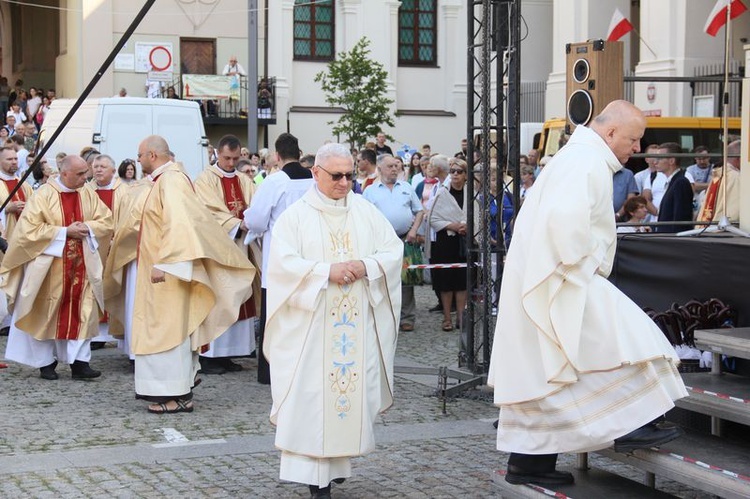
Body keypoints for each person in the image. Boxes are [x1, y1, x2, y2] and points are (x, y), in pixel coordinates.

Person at [488, 100, 687, 486]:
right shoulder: (585, 162)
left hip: (550, 275)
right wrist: (588, 265)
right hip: (563, 275)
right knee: (629, 336)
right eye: (633, 139)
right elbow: (566, 222)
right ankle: (631, 423)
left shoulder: (579, 157)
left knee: (546, 374)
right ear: (610, 133)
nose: (637, 148)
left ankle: (529, 464)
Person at [264, 142, 402, 499]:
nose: (344, 183)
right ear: (316, 173)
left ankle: (336, 465)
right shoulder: (296, 216)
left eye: (349, 176)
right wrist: (326, 271)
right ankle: (316, 481)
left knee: (346, 400)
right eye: (336, 176)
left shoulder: (364, 210)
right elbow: (282, 266)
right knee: (314, 404)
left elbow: (391, 250)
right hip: (312, 329)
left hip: (353, 327)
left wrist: (364, 266)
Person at [131, 135, 255, 414]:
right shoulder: (166, 179)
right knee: (166, 328)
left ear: (152, 155)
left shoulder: (172, 180)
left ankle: (175, 393)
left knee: (169, 330)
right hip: (160, 269)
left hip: (169, 271)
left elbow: (181, 223)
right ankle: (176, 388)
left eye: (140, 155)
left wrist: (166, 262)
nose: (137, 160)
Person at [1, 155, 113, 380]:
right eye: (80, 174)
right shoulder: (44, 194)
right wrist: (63, 232)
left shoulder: (87, 192)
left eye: (85, 173)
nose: (85, 178)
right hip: (50, 266)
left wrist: (88, 227)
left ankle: (80, 363)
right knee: (46, 312)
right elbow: (28, 231)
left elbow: (107, 220)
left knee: (84, 311)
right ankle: (46, 363)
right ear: (64, 173)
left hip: (83, 265)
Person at [243, 133, 313, 385]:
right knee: (304, 315)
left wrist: (249, 222)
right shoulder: (313, 180)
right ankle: (304, 369)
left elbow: (257, 220)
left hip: (279, 260)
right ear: (299, 152)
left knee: (275, 318)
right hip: (308, 257)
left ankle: (272, 372)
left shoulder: (274, 182)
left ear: (276, 156)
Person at [194, 134, 261, 374]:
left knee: (240, 299)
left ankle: (229, 353)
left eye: (235, 158)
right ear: (217, 155)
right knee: (220, 298)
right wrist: (235, 224)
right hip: (219, 251)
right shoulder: (205, 180)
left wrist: (252, 222)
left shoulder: (245, 180)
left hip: (243, 247)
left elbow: (257, 206)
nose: (231, 163)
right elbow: (207, 211)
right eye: (226, 158)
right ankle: (210, 356)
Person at [363, 154, 423, 332]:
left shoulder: (406, 187)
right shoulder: (370, 191)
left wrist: (413, 231)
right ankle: (384, 316)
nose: (395, 169)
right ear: (380, 169)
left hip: (404, 239)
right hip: (380, 243)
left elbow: (419, 211)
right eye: (390, 166)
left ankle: (407, 317)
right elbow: (364, 217)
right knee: (382, 278)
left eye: (396, 166)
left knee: (406, 279)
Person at [426, 158, 468, 332]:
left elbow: (478, 214)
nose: (455, 175)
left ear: (466, 175)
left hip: (464, 242)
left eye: (459, 171)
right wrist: (453, 226)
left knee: (462, 281)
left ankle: (460, 316)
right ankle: (447, 317)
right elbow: (433, 218)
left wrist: (466, 225)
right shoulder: (442, 193)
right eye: (453, 172)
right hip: (445, 241)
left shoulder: (470, 193)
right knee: (445, 281)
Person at [697, 139, 741, 223]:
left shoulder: (719, 175)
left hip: (709, 227)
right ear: (739, 158)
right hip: (723, 231)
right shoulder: (736, 177)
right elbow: (735, 211)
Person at [655, 142, 693, 233]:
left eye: (659, 158)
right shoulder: (674, 181)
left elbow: (681, 218)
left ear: (672, 161)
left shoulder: (681, 182)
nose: (655, 162)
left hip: (672, 240)